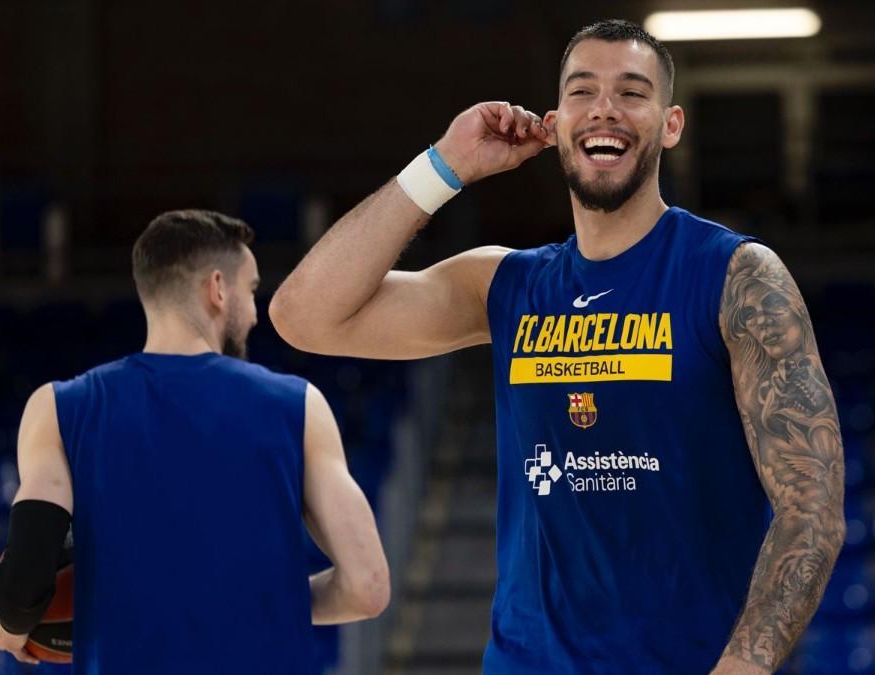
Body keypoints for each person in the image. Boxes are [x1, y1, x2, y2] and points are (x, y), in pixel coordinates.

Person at [269, 19, 844, 675]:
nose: (605, 107)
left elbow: (812, 511)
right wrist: (443, 168)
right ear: (555, 122)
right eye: (583, 91)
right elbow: (302, 315)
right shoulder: (509, 284)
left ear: (671, 123)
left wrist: (741, 666)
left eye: (632, 91)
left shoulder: (736, 276)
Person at [0, 211, 390, 674]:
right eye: (251, 291)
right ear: (217, 288)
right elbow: (367, 586)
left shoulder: (60, 407)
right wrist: (261, 603)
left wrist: (10, 619)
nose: (255, 313)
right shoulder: (298, 406)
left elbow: (23, 584)